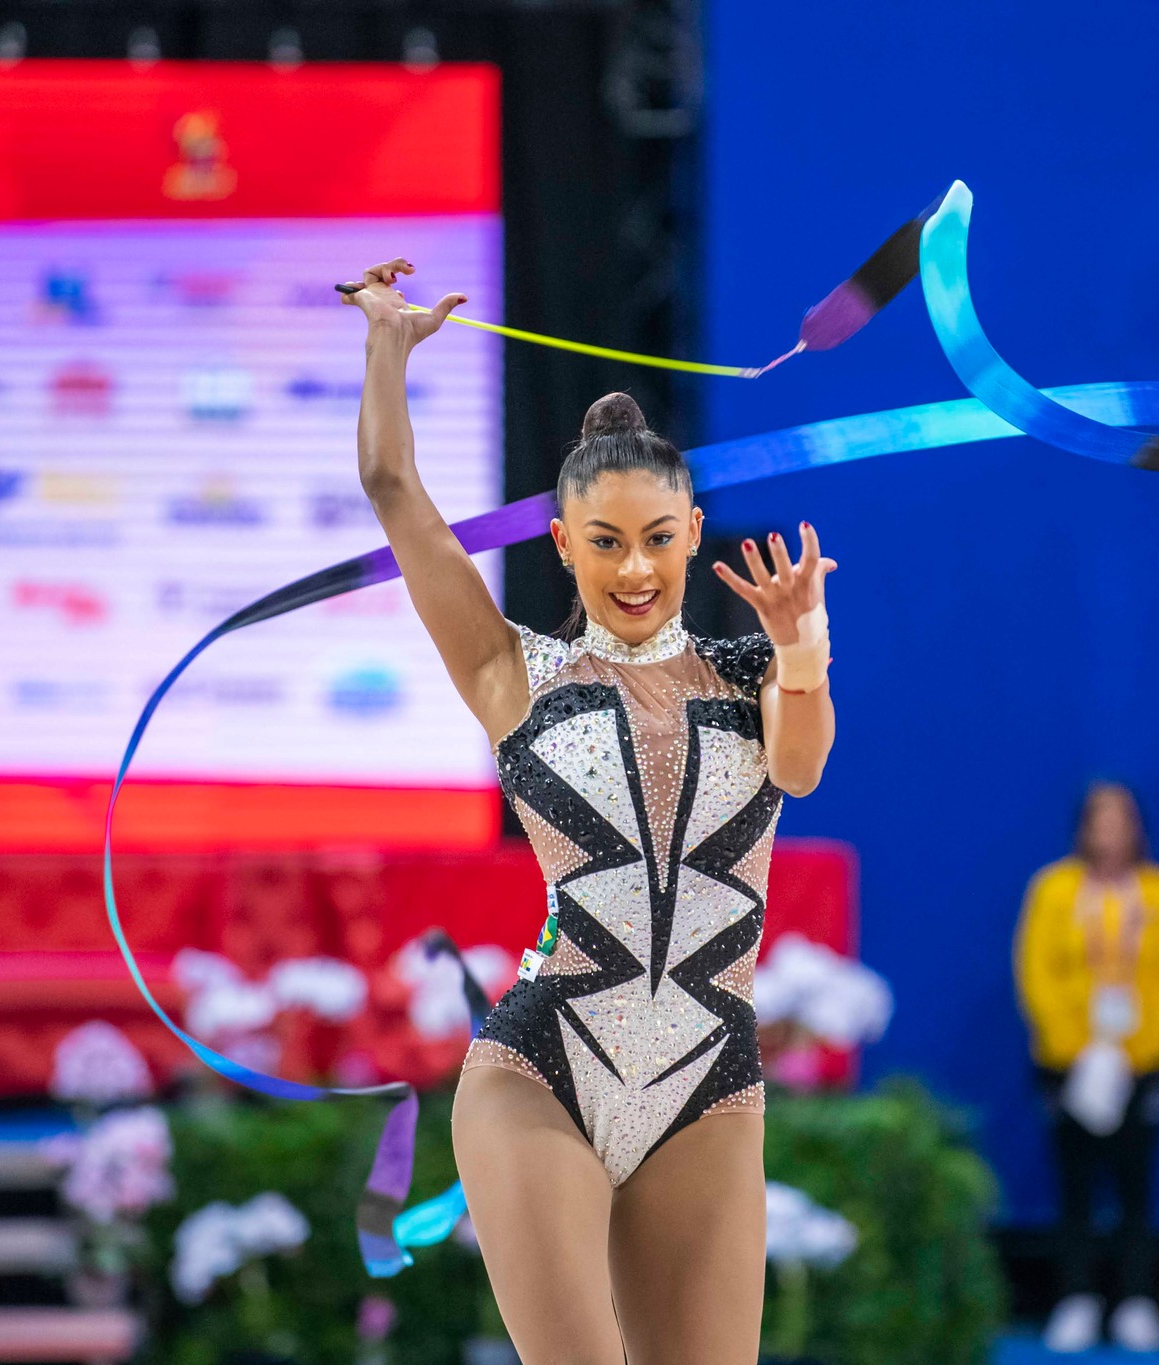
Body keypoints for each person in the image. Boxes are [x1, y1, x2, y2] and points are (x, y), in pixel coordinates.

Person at [343, 259, 837, 1365]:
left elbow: (798, 767)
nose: (634, 568)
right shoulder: (510, 672)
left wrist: (803, 648)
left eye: (658, 538)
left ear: (693, 533)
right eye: (605, 541)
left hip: (709, 1078)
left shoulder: (748, 668)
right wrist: (387, 341)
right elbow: (391, 489)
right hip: (542, 1068)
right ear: (561, 543)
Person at [1013, 782, 1159, 1353]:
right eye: (1101, 820)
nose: (1112, 832)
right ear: (1083, 828)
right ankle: (1076, 1298)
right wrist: (1080, 1047)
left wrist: (1136, 1051)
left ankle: (1137, 1301)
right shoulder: (1055, 889)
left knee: (1136, 1184)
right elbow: (1036, 971)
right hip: (1070, 1059)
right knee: (1075, 1183)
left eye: (1123, 820)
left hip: (1141, 1062)